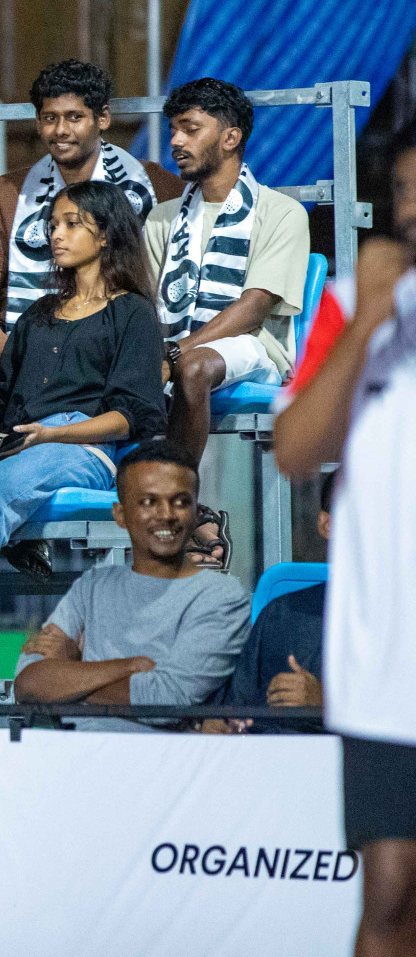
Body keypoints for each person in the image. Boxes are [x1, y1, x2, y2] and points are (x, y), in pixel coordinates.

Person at [0, 439, 251, 884]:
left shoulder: (222, 597)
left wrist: (73, 682)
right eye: (148, 502)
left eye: (179, 502)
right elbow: (29, 682)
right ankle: (5, 921)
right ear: (120, 514)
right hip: (56, 755)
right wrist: (129, 666)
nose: (165, 515)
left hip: (148, 771)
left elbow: (166, 697)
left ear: (194, 511)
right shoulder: (94, 586)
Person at [273, 121, 416, 957]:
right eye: (402, 193)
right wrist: (367, 326)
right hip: (388, 667)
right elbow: (295, 450)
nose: (413, 209)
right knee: (391, 891)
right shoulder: (358, 304)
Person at [0, 180, 167, 580]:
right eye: (53, 225)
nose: (56, 234)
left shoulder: (133, 313)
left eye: (71, 224)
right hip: (19, 440)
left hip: (86, 448)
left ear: (106, 235)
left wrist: (49, 435)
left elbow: (129, 416)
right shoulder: (40, 312)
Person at [0, 60, 183, 364]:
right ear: (38, 122)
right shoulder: (8, 192)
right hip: (26, 350)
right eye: (50, 118)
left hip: (118, 348)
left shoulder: (155, 185)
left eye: (75, 117)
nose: (61, 131)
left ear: (102, 118)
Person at [146, 78, 311, 470]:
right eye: (173, 130)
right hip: (172, 346)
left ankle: (177, 490)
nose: (176, 142)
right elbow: (144, 304)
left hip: (255, 347)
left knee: (195, 367)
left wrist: (174, 354)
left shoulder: (282, 213)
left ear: (230, 137)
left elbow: (253, 310)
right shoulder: (161, 217)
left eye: (190, 128)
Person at [212, 473, 332, 728]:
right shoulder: (281, 612)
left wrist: (326, 705)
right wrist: (221, 725)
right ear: (326, 524)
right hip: (263, 759)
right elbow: (238, 710)